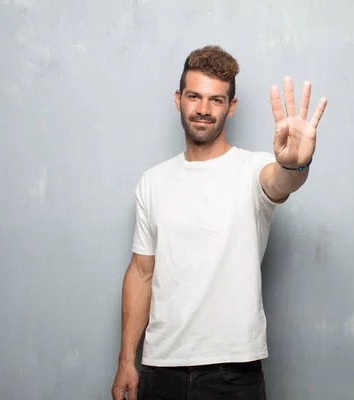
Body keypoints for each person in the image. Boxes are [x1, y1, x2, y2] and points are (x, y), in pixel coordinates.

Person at [111, 45, 327, 400]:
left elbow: (280, 182)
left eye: (216, 100)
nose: (203, 110)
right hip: (160, 368)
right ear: (179, 99)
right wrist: (125, 361)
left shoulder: (253, 169)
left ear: (232, 106)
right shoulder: (153, 181)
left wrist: (295, 165)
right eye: (194, 97)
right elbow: (140, 272)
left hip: (233, 372)